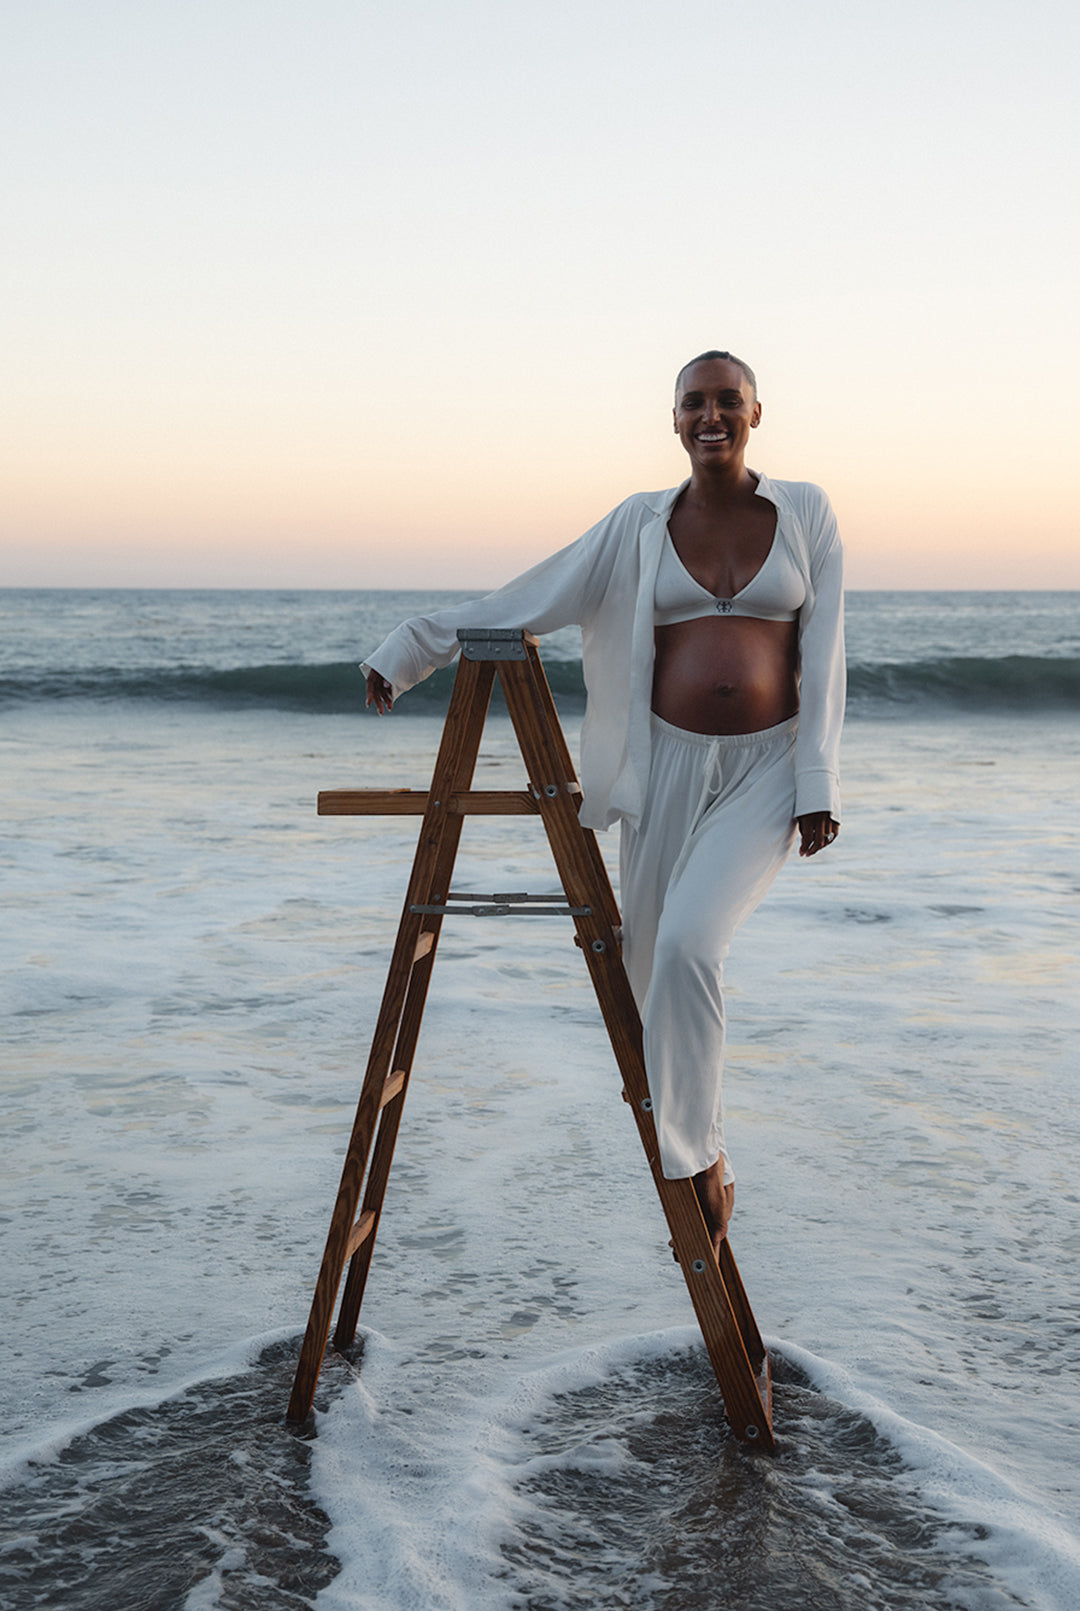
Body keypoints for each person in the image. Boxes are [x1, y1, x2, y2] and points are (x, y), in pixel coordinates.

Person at [362, 351, 844, 1259]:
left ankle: (694, 1162)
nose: (712, 415)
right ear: (673, 420)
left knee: (691, 943)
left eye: (727, 401)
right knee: (645, 971)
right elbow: (533, 597)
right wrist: (412, 647)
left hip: (765, 771)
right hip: (663, 770)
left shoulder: (807, 512)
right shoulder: (637, 525)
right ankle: (712, 1143)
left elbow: (826, 651)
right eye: (694, 403)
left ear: (756, 413)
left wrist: (817, 779)